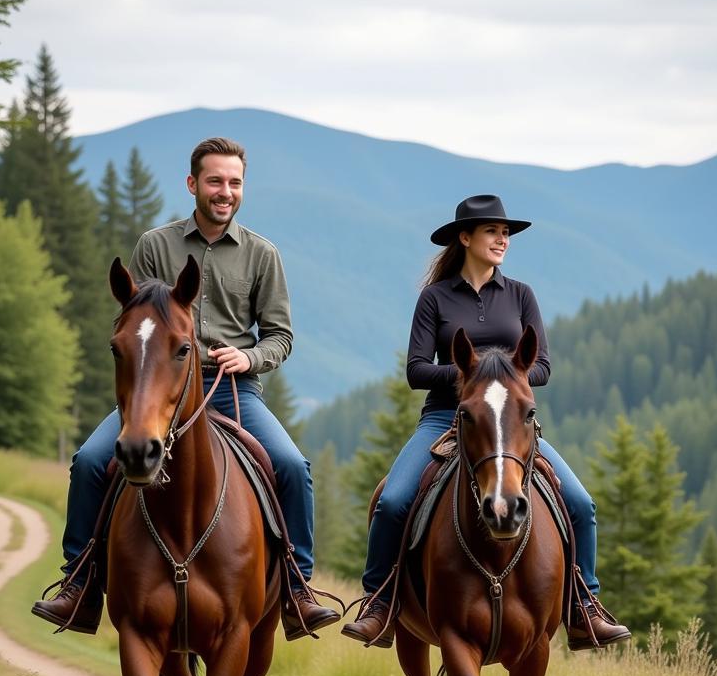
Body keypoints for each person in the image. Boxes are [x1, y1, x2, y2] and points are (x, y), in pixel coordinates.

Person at [32, 137, 339, 640]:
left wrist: (250, 356)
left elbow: (280, 336)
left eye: (235, 183)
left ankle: (297, 590)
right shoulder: (156, 245)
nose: (225, 192)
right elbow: (141, 326)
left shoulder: (263, 255)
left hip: (233, 390)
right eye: (215, 181)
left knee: (291, 466)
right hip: (162, 393)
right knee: (90, 461)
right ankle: (80, 584)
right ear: (192, 184)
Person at [341, 194, 630, 650]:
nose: (502, 240)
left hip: (512, 424)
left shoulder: (520, 295)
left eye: (506, 233)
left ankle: (584, 608)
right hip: (445, 417)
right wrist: (471, 376)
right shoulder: (434, 298)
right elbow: (417, 370)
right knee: (393, 501)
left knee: (580, 502)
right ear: (465, 238)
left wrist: (502, 379)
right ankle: (379, 604)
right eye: (493, 232)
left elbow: (542, 367)